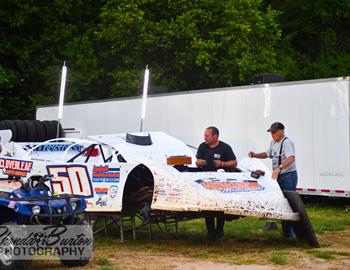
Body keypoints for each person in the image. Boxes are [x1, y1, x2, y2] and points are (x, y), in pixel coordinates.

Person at [248, 122, 297, 239]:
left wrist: (279, 168)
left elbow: (291, 158)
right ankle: (286, 233)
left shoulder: (287, 142)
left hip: (288, 176)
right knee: (282, 203)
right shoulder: (273, 142)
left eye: (274, 132)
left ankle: (290, 233)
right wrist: (255, 155)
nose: (272, 134)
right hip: (279, 176)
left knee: (288, 204)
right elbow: (267, 154)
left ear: (282, 131)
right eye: (271, 132)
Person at [196, 126, 237, 241]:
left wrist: (223, 164)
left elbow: (234, 163)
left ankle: (219, 231)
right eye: (204, 135)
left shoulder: (225, 147)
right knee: (207, 207)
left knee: (219, 207)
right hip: (205, 182)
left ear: (215, 136)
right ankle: (210, 232)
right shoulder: (202, 146)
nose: (205, 137)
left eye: (207, 135)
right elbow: (197, 161)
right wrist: (198, 162)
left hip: (220, 183)